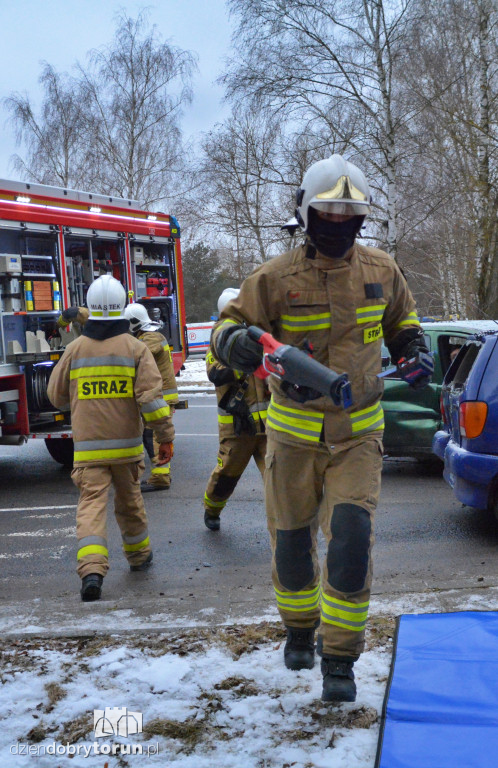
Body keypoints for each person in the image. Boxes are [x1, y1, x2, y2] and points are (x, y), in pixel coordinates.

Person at [211, 155, 433, 703]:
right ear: (304, 214)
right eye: (326, 215)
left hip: (358, 436)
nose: (338, 226)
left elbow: (404, 321)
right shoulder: (274, 276)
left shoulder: (382, 270)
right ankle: (299, 627)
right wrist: (236, 343)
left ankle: (340, 657)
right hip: (290, 435)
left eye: (350, 216)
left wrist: (413, 349)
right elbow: (226, 327)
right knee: (291, 542)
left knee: (351, 539)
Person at [47, 275, 174, 602]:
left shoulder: (75, 349)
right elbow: (153, 403)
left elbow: (55, 397)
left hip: (88, 454)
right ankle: (139, 557)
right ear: (121, 309)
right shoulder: (135, 348)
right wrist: (165, 438)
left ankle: (91, 571)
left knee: (90, 508)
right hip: (128, 451)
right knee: (130, 504)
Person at [203, 288, 270, 531]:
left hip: (268, 426)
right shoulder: (218, 342)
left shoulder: (257, 338)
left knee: (277, 478)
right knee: (226, 476)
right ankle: (212, 509)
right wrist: (245, 364)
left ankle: (283, 522)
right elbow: (215, 374)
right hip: (238, 428)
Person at [124, 302, 178, 492]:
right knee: (150, 435)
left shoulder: (151, 338)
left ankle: (161, 478)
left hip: (161, 396)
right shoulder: (151, 335)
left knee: (155, 436)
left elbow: (136, 354)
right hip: (159, 395)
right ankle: (160, 474)